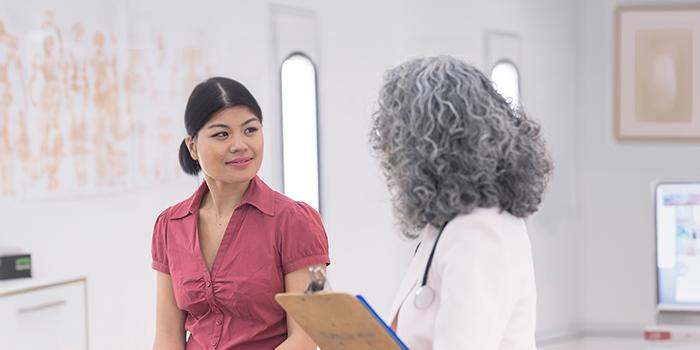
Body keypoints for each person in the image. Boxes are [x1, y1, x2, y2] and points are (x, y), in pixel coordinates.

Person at [369, 56, 552, 349]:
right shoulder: (447, 227)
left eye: (396, 139)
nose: (389, 153)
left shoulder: (480, 231)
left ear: (423, 148)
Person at [151, 77, 329, 350]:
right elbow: (167, 336)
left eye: (250, 130)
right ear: (193, 146)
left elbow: (305, 337)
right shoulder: (169, 225)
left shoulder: (294, 221)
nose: (240, 145)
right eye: (222, 134)